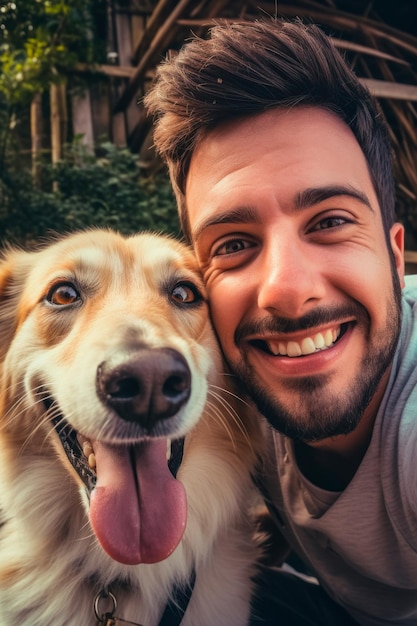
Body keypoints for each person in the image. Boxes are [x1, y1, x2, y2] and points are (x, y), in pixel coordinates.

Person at [145, 18, 417, 626]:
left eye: (329, 222)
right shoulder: (226, 389)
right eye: (234, 243)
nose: (287, 292)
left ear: (396, 258)